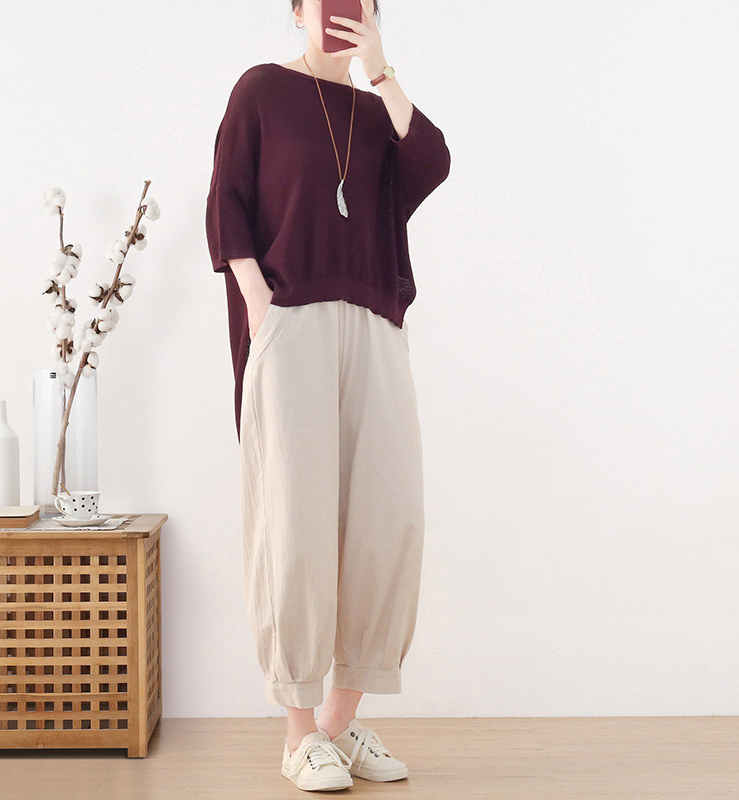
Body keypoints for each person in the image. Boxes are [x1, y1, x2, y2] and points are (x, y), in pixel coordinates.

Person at [205, 0, 451, 791]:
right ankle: (298, 736)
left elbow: (433, 162)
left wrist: (380, 70)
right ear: (297, 11)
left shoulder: (378, 112)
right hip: (293, 318)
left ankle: (336, 730)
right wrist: (258, 302)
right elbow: (226, 200)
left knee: (389, 517)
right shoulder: (261, 90)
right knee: (296, 521)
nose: (340, 8)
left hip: (374, 322)